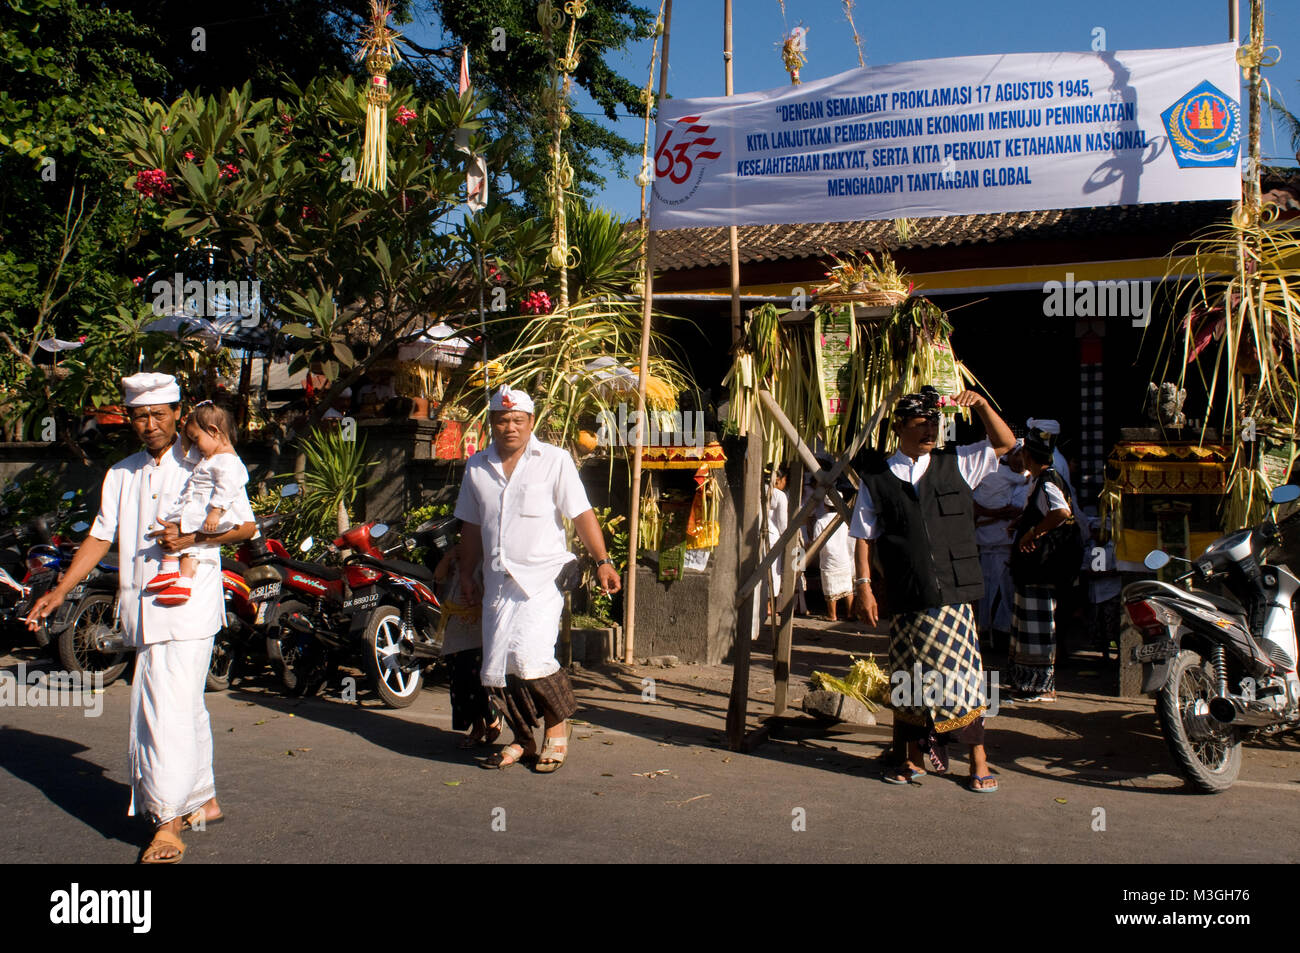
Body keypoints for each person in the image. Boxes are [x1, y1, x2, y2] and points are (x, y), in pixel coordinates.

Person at [26, 373, 256, 863]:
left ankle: (167, 821)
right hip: (142, 611)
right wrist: (60, 591)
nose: (149, 424)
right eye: (139, 416)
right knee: (182, 707)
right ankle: (203, 799)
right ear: (129, 418)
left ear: (178, 413)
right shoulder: (122, 473)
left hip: (189, 606)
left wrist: (194, 539)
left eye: (159, 414)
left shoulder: (208, 460)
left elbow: (245, 527)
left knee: (160, 711)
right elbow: (99, 538)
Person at [850, 385, 1015, 793]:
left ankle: (979, 759)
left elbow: (1006, 443)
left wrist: (981, 404)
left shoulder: (958, 462)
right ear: (901, 426)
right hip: (907, 595)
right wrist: (864, 587)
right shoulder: (877, 478)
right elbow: (863, 537)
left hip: (954, 596)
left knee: (963, 678)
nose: (930, 431)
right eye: (921, 423)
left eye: (935, 423)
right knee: (910, 679)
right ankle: (912, 757)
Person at [455, 386, 621, 773]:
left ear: (531, 423)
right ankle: (524, 739)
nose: (509, 426)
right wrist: (466, 573)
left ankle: (557, 729)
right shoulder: (477, 467)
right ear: (491, 422)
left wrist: (603, 561)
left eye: (517, 420)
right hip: (497, 580)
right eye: (502, 419)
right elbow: (471, 526)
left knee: (531, 658)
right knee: (498, 667)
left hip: (542, 577)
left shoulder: (554, 460)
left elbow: (581, 513)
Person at [146, 401, 248, 605]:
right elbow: (185, 452)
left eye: (196, 439)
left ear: (213, 431)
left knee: (193, 546)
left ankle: (184, 580)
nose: (195, 445)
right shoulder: (209, 456)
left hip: (209, 512)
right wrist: (185, 431)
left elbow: (227, 488)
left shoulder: (229, 462)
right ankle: (169, 568)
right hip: (196, 506)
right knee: (175, 526)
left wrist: (216, 511)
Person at [1007, 423, 1077, 702]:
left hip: (1042, 566)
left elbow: (1060, 512)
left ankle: (1040, 685)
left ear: (1027, 456)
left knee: (1038, 626)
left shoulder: (1048, 481)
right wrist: (1022, 524)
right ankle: (1027, 682)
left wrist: (1034, 532)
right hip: (1033, 567)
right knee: (1029, 624)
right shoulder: (1039, 481)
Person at [431, 529, 502, 748]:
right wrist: (448, 557)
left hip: (476, 631)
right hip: (454, 631)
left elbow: (494, 592)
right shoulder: (455, 563)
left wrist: (479, 598)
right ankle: (476, 727)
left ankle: (492, 719)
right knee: (459, 684)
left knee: (476, 682)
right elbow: (437, 577)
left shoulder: (486, 562)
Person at [971, 441, 1030, 652]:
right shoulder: (995, 473)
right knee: (989, 588)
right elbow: (974, 503)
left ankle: (1002, 632)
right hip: (989, 542)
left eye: (1023, 455)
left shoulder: (1026, 481)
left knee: (1007, 590)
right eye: (1016, 455)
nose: (1019, 460)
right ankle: (988, 631)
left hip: (1010, 546)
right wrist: (997, 513)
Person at [813, 500, 854, 622]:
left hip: (828, 559)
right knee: (847, 586)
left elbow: (816, 542)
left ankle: (832, 615)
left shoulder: (820, 522)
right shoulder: (844, 521)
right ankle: (850, 613)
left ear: (825, 505)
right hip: (843, 557)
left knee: (830, 586)